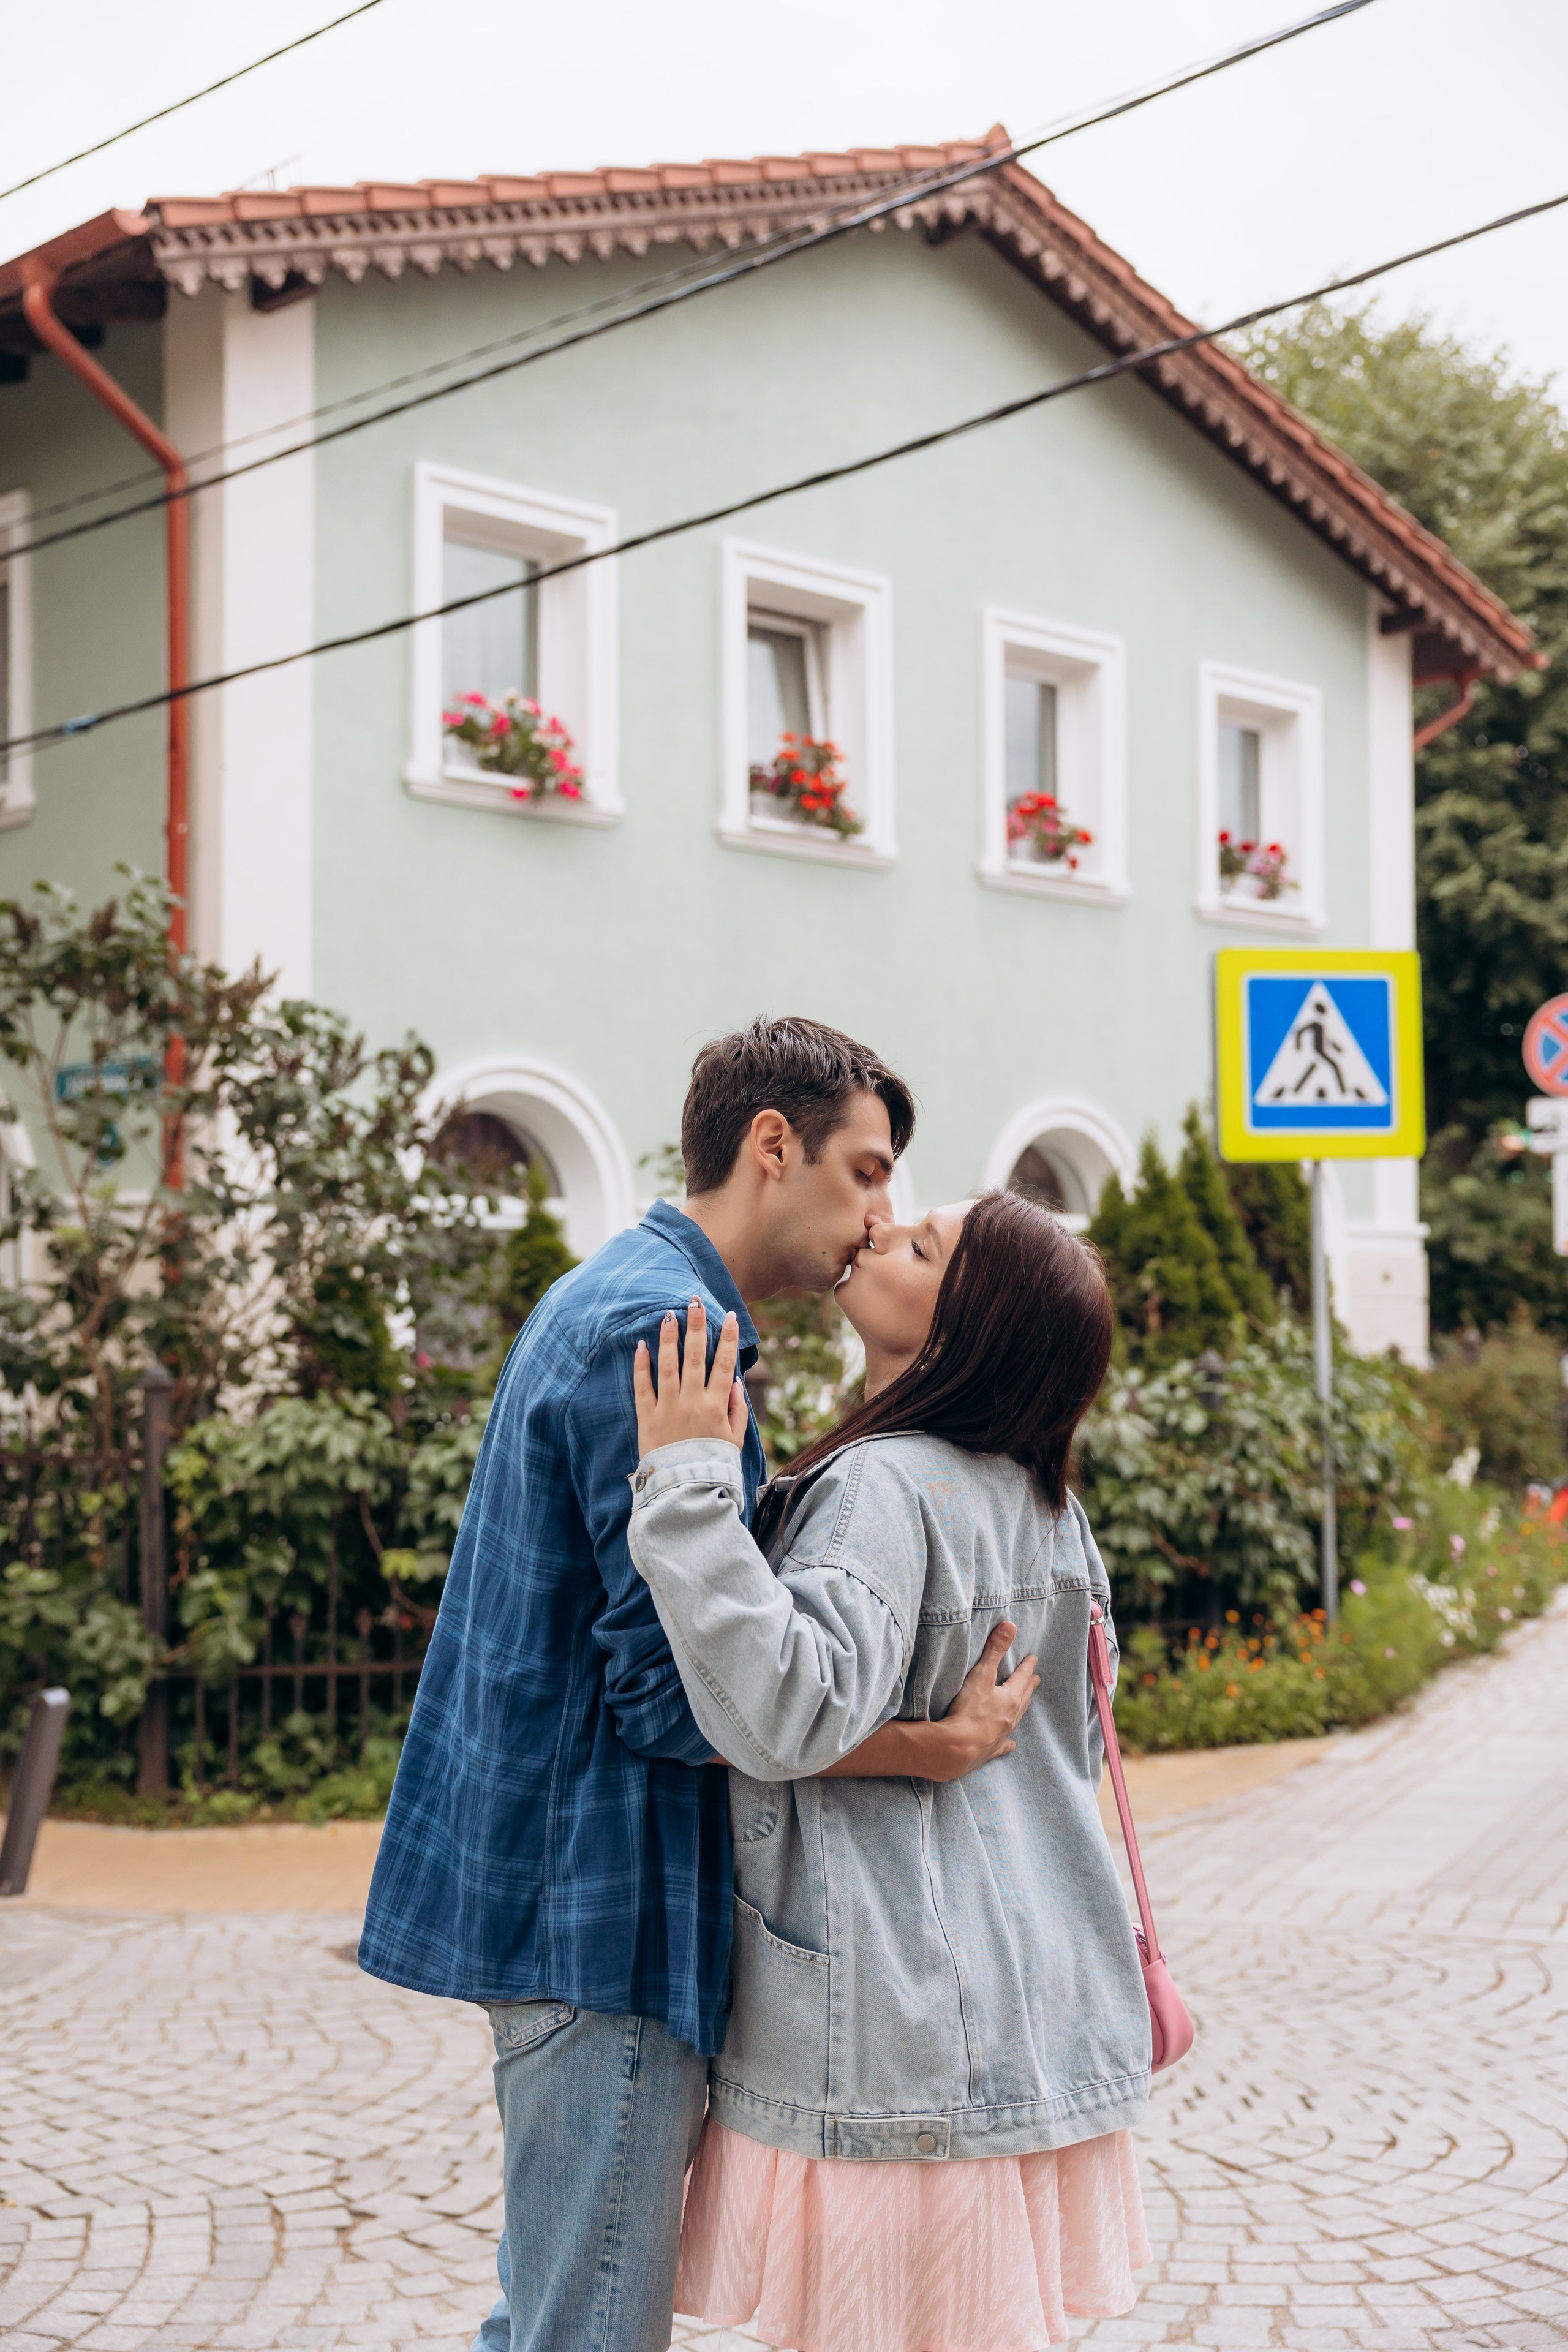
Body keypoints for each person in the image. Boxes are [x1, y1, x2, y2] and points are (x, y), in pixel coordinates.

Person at [358, 1019, 1042, 2352]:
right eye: (865, 1172)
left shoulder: (634, 1291)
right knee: (586, 2327)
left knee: (554, 2310)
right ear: (773, 1146)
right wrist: (926, 1745)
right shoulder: (668, 1330)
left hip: (578, 1894)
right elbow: (675, 1702)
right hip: (600, 1908)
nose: (878, 1216)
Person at [627, 1188, 1153, 2352]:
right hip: (1027, 2011)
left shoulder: (883, 1487)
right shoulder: (1048, 1505)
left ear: (969, 1330)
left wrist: (684, 1482)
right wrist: (933, 1747)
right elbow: (1065, 1735)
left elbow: (784, 1710)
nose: (880, 1228)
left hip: (895, 2023)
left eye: (922, 1246)